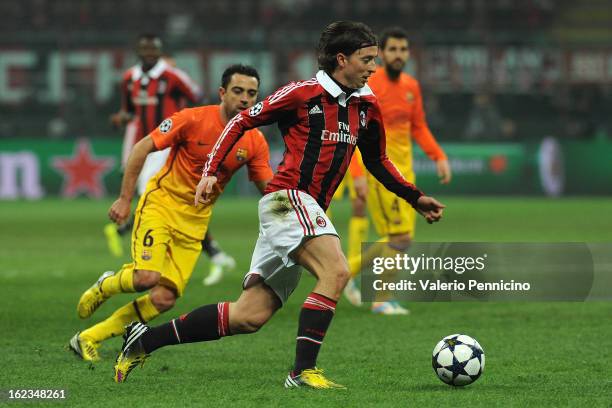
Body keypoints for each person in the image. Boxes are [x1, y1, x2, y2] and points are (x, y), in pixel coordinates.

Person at [113, 21, 445, 389]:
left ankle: (144, 340)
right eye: (367, 59)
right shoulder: (302, 94)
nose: (373, 68)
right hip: (287, 200)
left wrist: (415, 197)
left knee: (248, 316)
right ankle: (302, 373)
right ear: (342, 58)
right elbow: (241, 120)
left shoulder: (366, 105)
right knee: (336, 272)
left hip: (304, 211)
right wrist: (210, 170)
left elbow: (378, 161)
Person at [68, 65, 273, 362]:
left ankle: (89, 338)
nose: (245, 99)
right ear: (222, 93)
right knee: (145, 277)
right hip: (161, 206)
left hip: (194, 224)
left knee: (164, 299)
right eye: (238, 91)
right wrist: (125, 199)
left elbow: (269, 188)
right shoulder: (191, 119)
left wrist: (292, 210)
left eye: (251, 94)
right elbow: (141, 148)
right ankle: (107, 285)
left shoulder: (254, 140)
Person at [105, 33, 236, 284]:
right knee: (159, 197)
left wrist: (191, 126)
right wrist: (120, 118)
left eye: (154, 49)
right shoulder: (129, 78)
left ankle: (151, 249)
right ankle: (210, 253)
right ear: (138, 51)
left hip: (166, 145)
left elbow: (198, 96)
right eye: (145, 49)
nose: (149, 54)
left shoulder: (173, 76)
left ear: (160, 51)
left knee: (154, 194)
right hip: (141, 143)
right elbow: (130, 110)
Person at [343, 27, 452, 314]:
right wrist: (357, 175)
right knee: (400, 237)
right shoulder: (368, 86)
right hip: (380, 172)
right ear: (382, 54)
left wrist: (438, 155)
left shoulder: (411, 87)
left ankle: (348, 276)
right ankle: (376, 296)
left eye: (403, 50)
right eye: (392, 50)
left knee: (402, 239)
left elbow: (418, 126)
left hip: (407, 173)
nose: (398, 55)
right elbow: (352, 131)